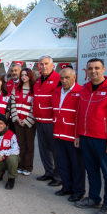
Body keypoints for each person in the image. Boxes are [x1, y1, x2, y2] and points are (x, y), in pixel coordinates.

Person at [74, 58, 107, 214]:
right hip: (86, 137)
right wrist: (78, 135)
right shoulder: (84, 89)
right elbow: (79, 114)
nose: (93, 71)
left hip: (103, 140)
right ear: (86, 71)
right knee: (92, 171)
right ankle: (94, 198)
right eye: (90, 69)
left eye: (96, 68)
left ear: (103, 69)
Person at [51, 68, 85, 202]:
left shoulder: (81, 92)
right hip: (59, 133)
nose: (64, 81)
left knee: (77, 165)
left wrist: (79, 135)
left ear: (74, 77)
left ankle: (78, 191)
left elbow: (82, 116)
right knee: (63, 164)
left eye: (67, 78)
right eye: (62, 78)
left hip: (73, 136)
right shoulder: (57, 91)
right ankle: (67, 187)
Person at [33, 55, 62, 186]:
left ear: (52, 65)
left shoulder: (58, 79)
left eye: (46, 64)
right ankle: (48, 172)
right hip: (40, 120)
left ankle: (58, 176)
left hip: (52, 121)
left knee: (56, 150)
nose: (44, 66)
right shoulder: (38, 80)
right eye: (42, 64)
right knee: (43, 149)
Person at [10, 68, 36, 176]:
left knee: (29, 145)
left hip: (29, 121)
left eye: (26, 75)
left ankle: (28, 167)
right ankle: (20, 165)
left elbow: (34, 107)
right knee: (20, 144)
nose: (24, 77)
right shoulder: (16, 88)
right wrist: (17, 118)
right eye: (22, 75)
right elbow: (12, 104)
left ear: (30, 76)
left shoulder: (34, 89)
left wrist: (26, 120)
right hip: (17, 121)